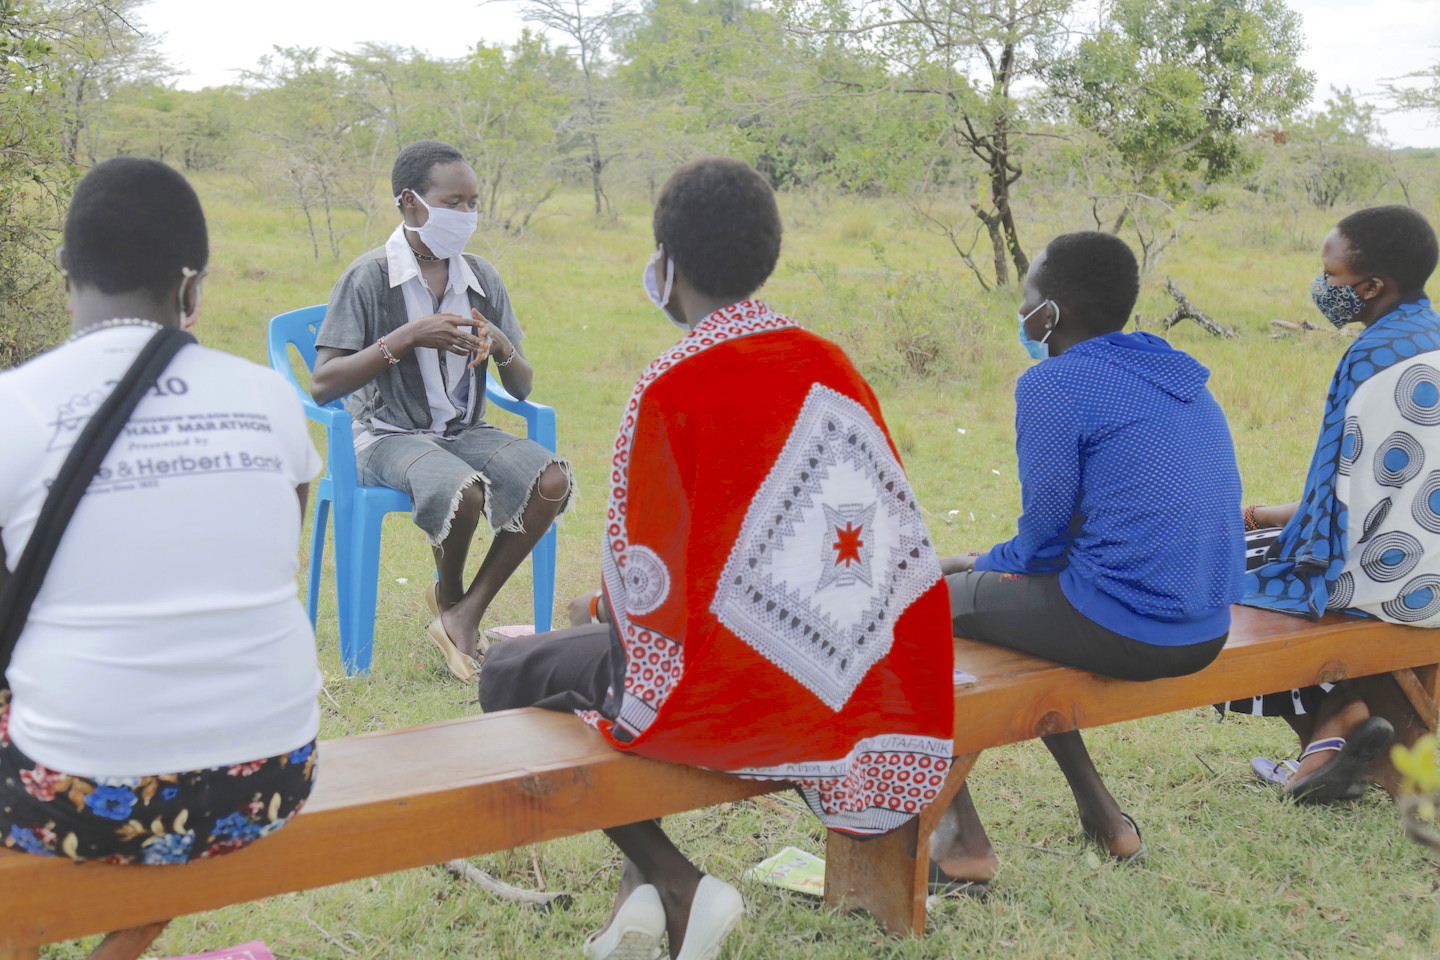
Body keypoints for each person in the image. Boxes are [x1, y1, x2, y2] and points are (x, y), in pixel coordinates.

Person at [481, 158, 955, 960]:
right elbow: (886, 535)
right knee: (585, 651)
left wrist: (606, 628)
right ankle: (638, 899)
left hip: (738, 697)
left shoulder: (674, 382)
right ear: (766, 253)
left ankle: (674, 881)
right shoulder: (828, 361)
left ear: (665, 262)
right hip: (853, 676)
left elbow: (645, 584)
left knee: (511, 673)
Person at [0, 158, 322, 959]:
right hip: (269, 775)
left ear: (68, 276)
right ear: (192, 287)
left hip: (83, 789)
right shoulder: (267, 396)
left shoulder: (18, 405)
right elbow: (278, 548)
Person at [931, 232, 1244, 890]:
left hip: (1129, 625)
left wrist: (976, 564)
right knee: (1027, 615)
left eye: (1027, 299)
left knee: (918, 606)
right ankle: (1106, 819)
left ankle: (960, 843)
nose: (1021, 312)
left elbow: (1042, 537)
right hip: (1206, 624)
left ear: (1051, 314)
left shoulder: (1054, 383)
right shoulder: (1174, 371)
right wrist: (995, 568)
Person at [312, 140, 572, 682]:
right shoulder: (369, 276)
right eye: (454, 202)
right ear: (411, 202)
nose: (466, 216)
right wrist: (407, 337)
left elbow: (521, 387)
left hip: (462, 429)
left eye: (473, 203)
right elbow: (323, 384)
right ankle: (453, 601)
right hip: (385, 436)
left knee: (549, 479)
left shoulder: (480, 276)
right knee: (464, 487)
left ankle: (461, 616)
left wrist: (501, 346)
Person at [1235, 205, 1440, 802]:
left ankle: (1334, 722)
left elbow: (1334, 515)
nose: (1323, 286)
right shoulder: (1428, 337)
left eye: (1331, 275)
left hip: (1395, 584)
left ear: (1372, 286)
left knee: (1210, 572)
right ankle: (1332, 735)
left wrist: (1252, 520)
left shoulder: (1372, 360)